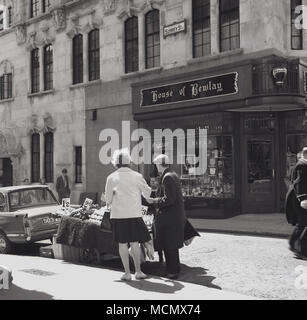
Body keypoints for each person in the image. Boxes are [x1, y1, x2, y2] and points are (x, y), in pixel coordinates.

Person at [105, 148, 154, 281]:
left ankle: (127, 273)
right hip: (134, 214)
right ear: (129, 162)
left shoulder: (111, 178)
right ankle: (138, 271)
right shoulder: (137, 176)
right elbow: (148, 192)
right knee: (134, 243)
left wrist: (113, 195)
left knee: (122, 244)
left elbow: (108, 200)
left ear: (116, 162)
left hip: (118, 215)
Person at [147, 154, 186, 279]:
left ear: (159, 165)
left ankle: (172, 271)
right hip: (173, 218)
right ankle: (175, 268)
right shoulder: (172, 175)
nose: (156, 167)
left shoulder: (167, 177)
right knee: (172, 246)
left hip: (170, 218)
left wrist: (155, 201)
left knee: (170, 246)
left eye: (156, 164)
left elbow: (169, 199)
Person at [286, 147, 307, 259]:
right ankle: (301, 251)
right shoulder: (302, 165)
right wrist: (303, 199)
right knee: (304, 223)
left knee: (302, 223)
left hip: (299, 198)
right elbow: (300, 183)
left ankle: (294, 244)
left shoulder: (302, 164)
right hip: (299, 199)